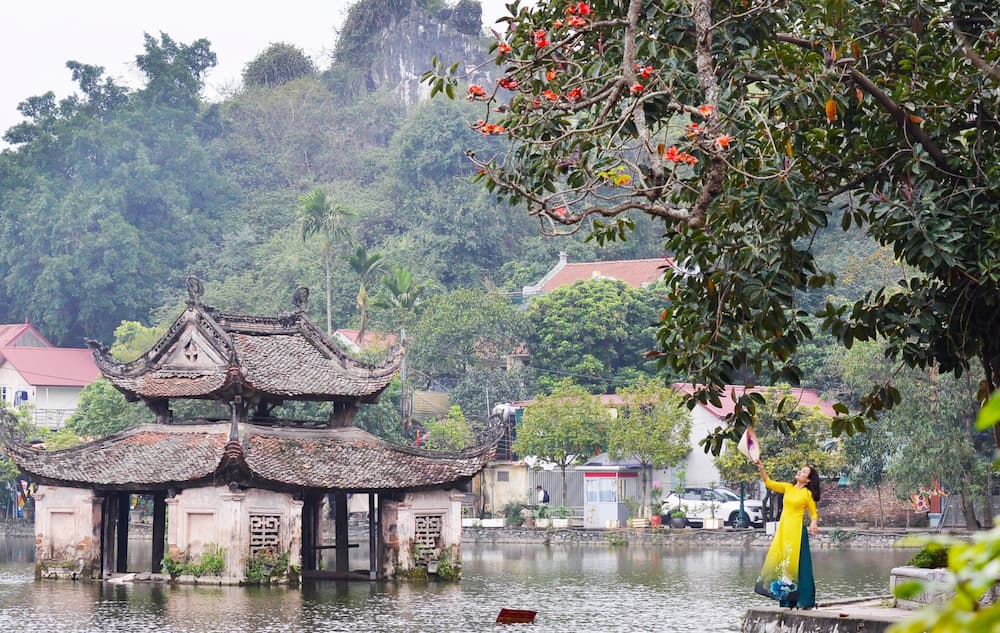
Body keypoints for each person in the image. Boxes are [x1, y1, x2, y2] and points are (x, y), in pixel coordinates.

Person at [753, 461, 820, 609]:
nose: (799, 472)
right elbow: (769, 483)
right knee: (784, 564)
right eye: (801, 470)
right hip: (784, 530)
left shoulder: (807, 494)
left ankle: (804, 600)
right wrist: (762, 468)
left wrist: (813, 523)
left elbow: (813, 513)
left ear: (808, 480)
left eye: (803, 472)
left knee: (800, 566)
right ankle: (786, 600)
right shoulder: (787, 487)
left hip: (797, 532)